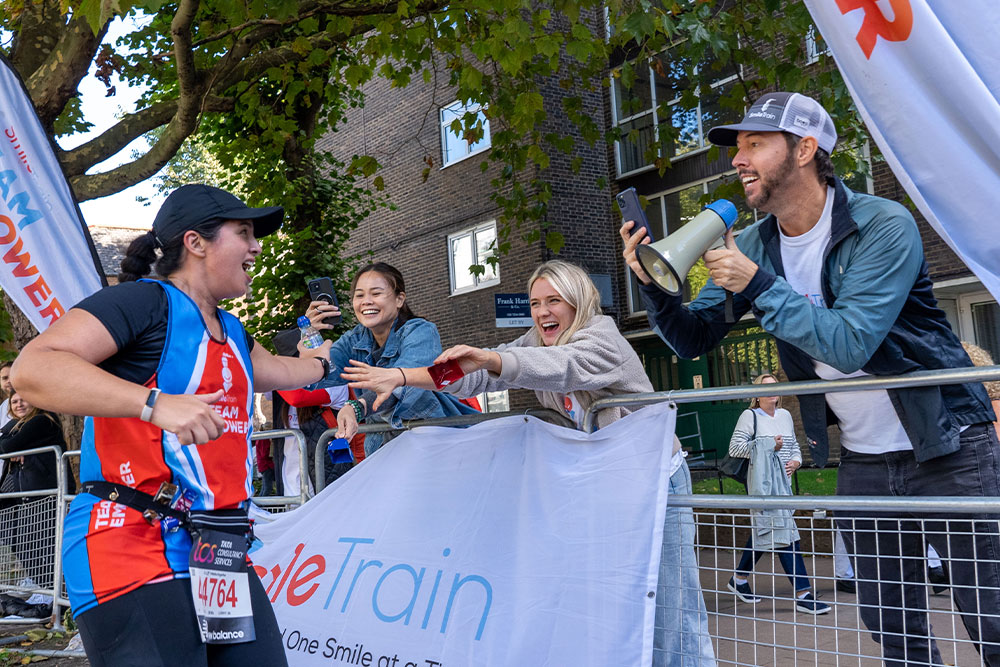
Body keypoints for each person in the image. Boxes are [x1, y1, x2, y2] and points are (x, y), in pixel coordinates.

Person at [620, 91, 1000, 666]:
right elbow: (694, 339)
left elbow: (850, 344)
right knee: (895, 632)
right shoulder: (751, 244)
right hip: (866, 461)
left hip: (949, 446)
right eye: (737, 146)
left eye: (754, 144)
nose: (737, 159)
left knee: (991, 617)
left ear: (804, 149)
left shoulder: (881, 224)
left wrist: (758, 286)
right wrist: (654, 284)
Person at [10, 184, 334, 666]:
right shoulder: (144, 303)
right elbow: (33, 370)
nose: (257, 246)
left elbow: (293, 370)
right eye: (243, 232)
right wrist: (153, 404)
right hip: (129, 541)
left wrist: (329, 359)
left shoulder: (234, 331)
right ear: (196, 242)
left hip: (216, 550)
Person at [342, 260, 716, 666]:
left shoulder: (602, 338)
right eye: (535, 303)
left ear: (578, 301)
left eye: (554, 301)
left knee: (672, 606)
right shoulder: (537, 341)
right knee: (614, 602)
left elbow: (557, 368)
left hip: (653, 479)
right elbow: (478, 375)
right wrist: (401, 376)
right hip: (602, 484)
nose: (542, 312)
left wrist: (490, 360)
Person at [305, 262, 477, 455]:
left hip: (435, 443)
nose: (366, 301)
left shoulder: (421, 331)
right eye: (359, 295)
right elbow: (316, 372)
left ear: (399, 299)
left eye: (376, 293)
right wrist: (309, 336)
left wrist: (356, 407)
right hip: (384, 449)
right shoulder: (354, 339)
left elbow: (402, 384)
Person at [726, 373, 829, 614]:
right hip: (763, 485)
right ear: (756, 394)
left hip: (785, 484)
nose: (773, 391)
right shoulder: (750, 416)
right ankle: (804, 594)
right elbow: (735, 447)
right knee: (784, 533)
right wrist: (769, 444)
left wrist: (796, 461)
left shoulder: (785, 415)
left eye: (776, 387)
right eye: (767, 387)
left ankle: (738, 580)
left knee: (766, 530)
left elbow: (793, 445)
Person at [0, 392, 65, 618]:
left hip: (45, 493)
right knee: (22, 542)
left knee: (45, 545)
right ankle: (43, 591)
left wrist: (12, 448)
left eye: (23, 399)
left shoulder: (42, 420)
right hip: (23, 495)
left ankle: (52, 596)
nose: (19, 404)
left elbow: (6, 447)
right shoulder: (18, 425)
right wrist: (11, 446)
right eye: (14, 401)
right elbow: (6, 443)